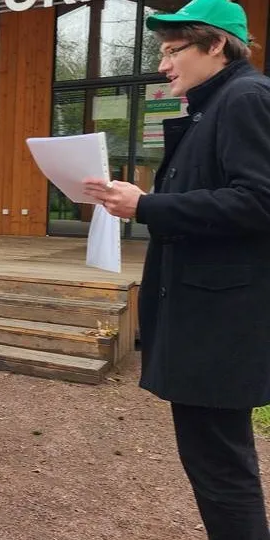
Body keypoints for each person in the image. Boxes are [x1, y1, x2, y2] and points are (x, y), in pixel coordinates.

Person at [83, 1, 270, 537]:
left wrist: (146, 206)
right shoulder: (212, 106)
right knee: (214, 466)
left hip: (220, 326)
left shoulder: (246, 98)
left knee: (222, 471)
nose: (163, 65)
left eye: (173, 50)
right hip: (207, 321)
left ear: (216, 45)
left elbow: (259, 202)